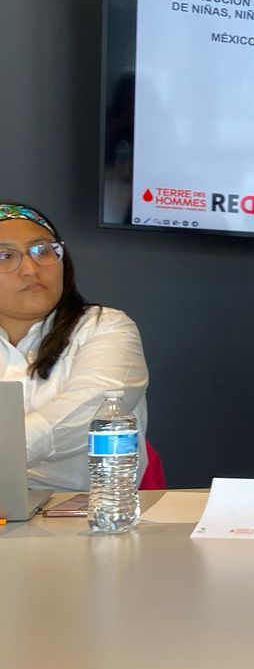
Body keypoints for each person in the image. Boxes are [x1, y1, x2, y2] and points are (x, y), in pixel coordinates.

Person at [0, 201, 149, 491]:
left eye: (43, 251)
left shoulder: (105, 326)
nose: (30, 269)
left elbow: (92, 411)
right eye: (5, 256)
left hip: (87, 511)